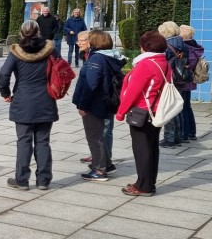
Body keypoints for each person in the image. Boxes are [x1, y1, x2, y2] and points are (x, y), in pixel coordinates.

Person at [0, 20, 58, 191]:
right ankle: (43, 180)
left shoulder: (16, 52)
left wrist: (5, 93)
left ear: (21, 33)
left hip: (23, 100)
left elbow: (4, 73)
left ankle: (22, 180)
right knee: (43, 141)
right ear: (39, 32)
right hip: (46, 98)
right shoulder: (50, 50)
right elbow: (61, 69)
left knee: (24, 141)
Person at [115, 31, 172, 197]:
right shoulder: (164, 63)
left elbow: (133, 92)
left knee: (142, 150)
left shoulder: (146, 65)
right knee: (151, 147)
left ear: (144, 47)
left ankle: (143, 186)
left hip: (142, 111)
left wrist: (120, 112)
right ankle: (148, 183)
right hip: (157, 111)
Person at [72, 30, 124, 182]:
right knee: (99, 135)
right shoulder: (108, 56)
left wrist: (83, 105)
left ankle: (99, 170)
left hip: (94, 103)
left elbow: (91, 85)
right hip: (103, 101)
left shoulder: (96, 58)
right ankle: (107, 164)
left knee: (94, 137)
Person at [158, 21, 188, 148]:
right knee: (175, 109)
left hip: (169, 80)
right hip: (181, 78)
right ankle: (177, 137)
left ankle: (169, 139)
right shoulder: (183, 44)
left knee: (168, 109)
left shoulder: (166, 45)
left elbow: (162, 63)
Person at [179, 25, 204, 142]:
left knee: (183, 108)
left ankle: (184, 134)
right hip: (189, 80)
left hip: (183, 80)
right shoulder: (195, 47)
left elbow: (185, 63)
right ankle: (191, 132)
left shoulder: (186, 47)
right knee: (187, 106)